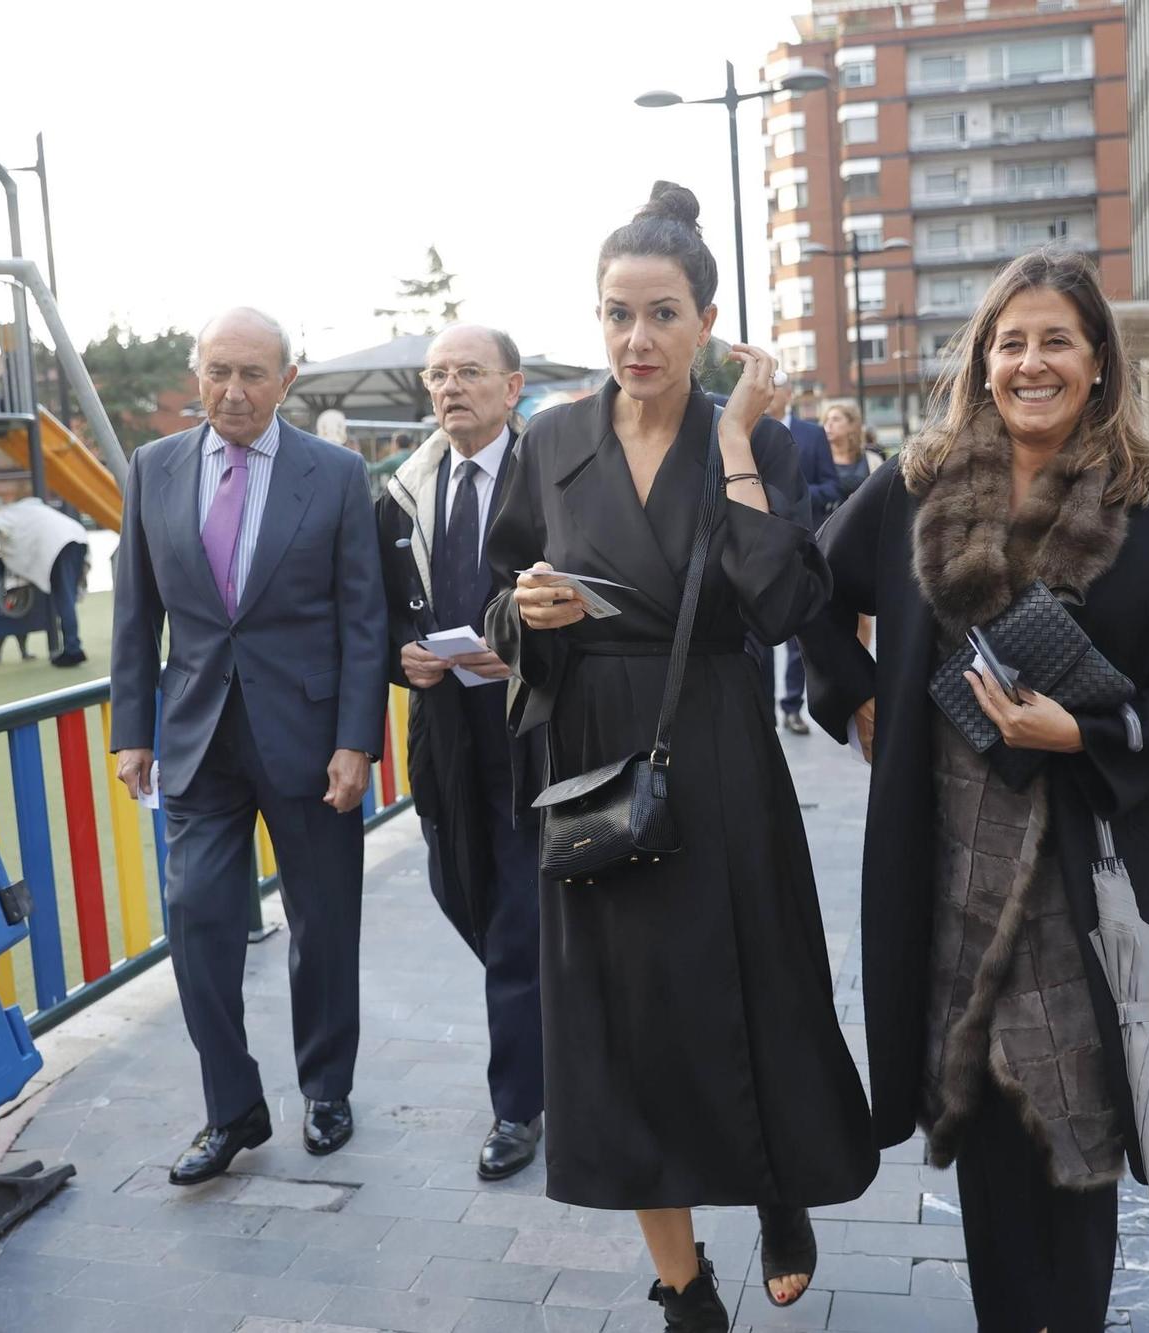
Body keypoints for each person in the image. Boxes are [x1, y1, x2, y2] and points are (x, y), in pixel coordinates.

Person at [801, 249, 1149, 1332]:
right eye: (1010, 341)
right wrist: (857, 701)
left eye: (1054, 341)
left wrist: (1078, 728)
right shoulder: (917, 485)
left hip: (1078, 868)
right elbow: (811, 587)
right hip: (939, 856)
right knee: (983, 1123)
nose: (1029, 362)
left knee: (1078, 1126)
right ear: (982, 360)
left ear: (1096, 363)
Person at [484, 182, 875, 1331]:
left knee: (750, 995)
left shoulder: (747, 435)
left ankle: (776, 1189)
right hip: (590, 753)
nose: (635, 339)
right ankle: (680, 1284)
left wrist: (741, 438)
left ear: (706, 322)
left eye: (660, 315)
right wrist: (527, 614)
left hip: (713, 745)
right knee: (621, 1025)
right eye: (616, 314)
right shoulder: (551, 438)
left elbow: (784, 601)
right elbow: (500, 591)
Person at [109, 307, 387, 1185]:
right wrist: (129, 732)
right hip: (194, 739)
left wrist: (356, 741)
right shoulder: (151, 469)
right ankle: (231, 1108)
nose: (233, 391)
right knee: (197, 921)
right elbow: (135, 612)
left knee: (323, 920)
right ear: (197, 374)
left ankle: (328, 1087)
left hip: (309, 740)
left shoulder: (337, 475)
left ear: (287, 379)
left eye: (253, 374)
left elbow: (363, 620)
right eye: (218, 372)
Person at [375, 324, 547, 1181]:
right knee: (456, 888)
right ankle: (553, 1013)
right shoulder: (404, 488)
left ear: (511, 388)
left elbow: (589, 593)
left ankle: (519, 1103)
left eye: (469, 373)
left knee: (518, 918)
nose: (451, 388)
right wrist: (402, 657)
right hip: (444, 732)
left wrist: (523, 651)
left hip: (533, 728)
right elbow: (379, 611)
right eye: (439, 374)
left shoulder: (552, 472)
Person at [763, 378, 828, 735]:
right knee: (754, 643)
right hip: (755, 550)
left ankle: (791, 707)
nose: (771, 391)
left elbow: (831, 484)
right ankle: (764, 715)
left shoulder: (812, 435)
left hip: (798, 548)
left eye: (778, 385)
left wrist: (791, 495)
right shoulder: (739, 427)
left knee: (794, 640)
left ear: (789, 393)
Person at [0, 495, 91, 667]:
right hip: (77, 537)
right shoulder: (30, 510)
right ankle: (72, 644)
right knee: (68, 597)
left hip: (58, 545)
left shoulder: (5, 515)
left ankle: (73, 649)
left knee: (64, 598)